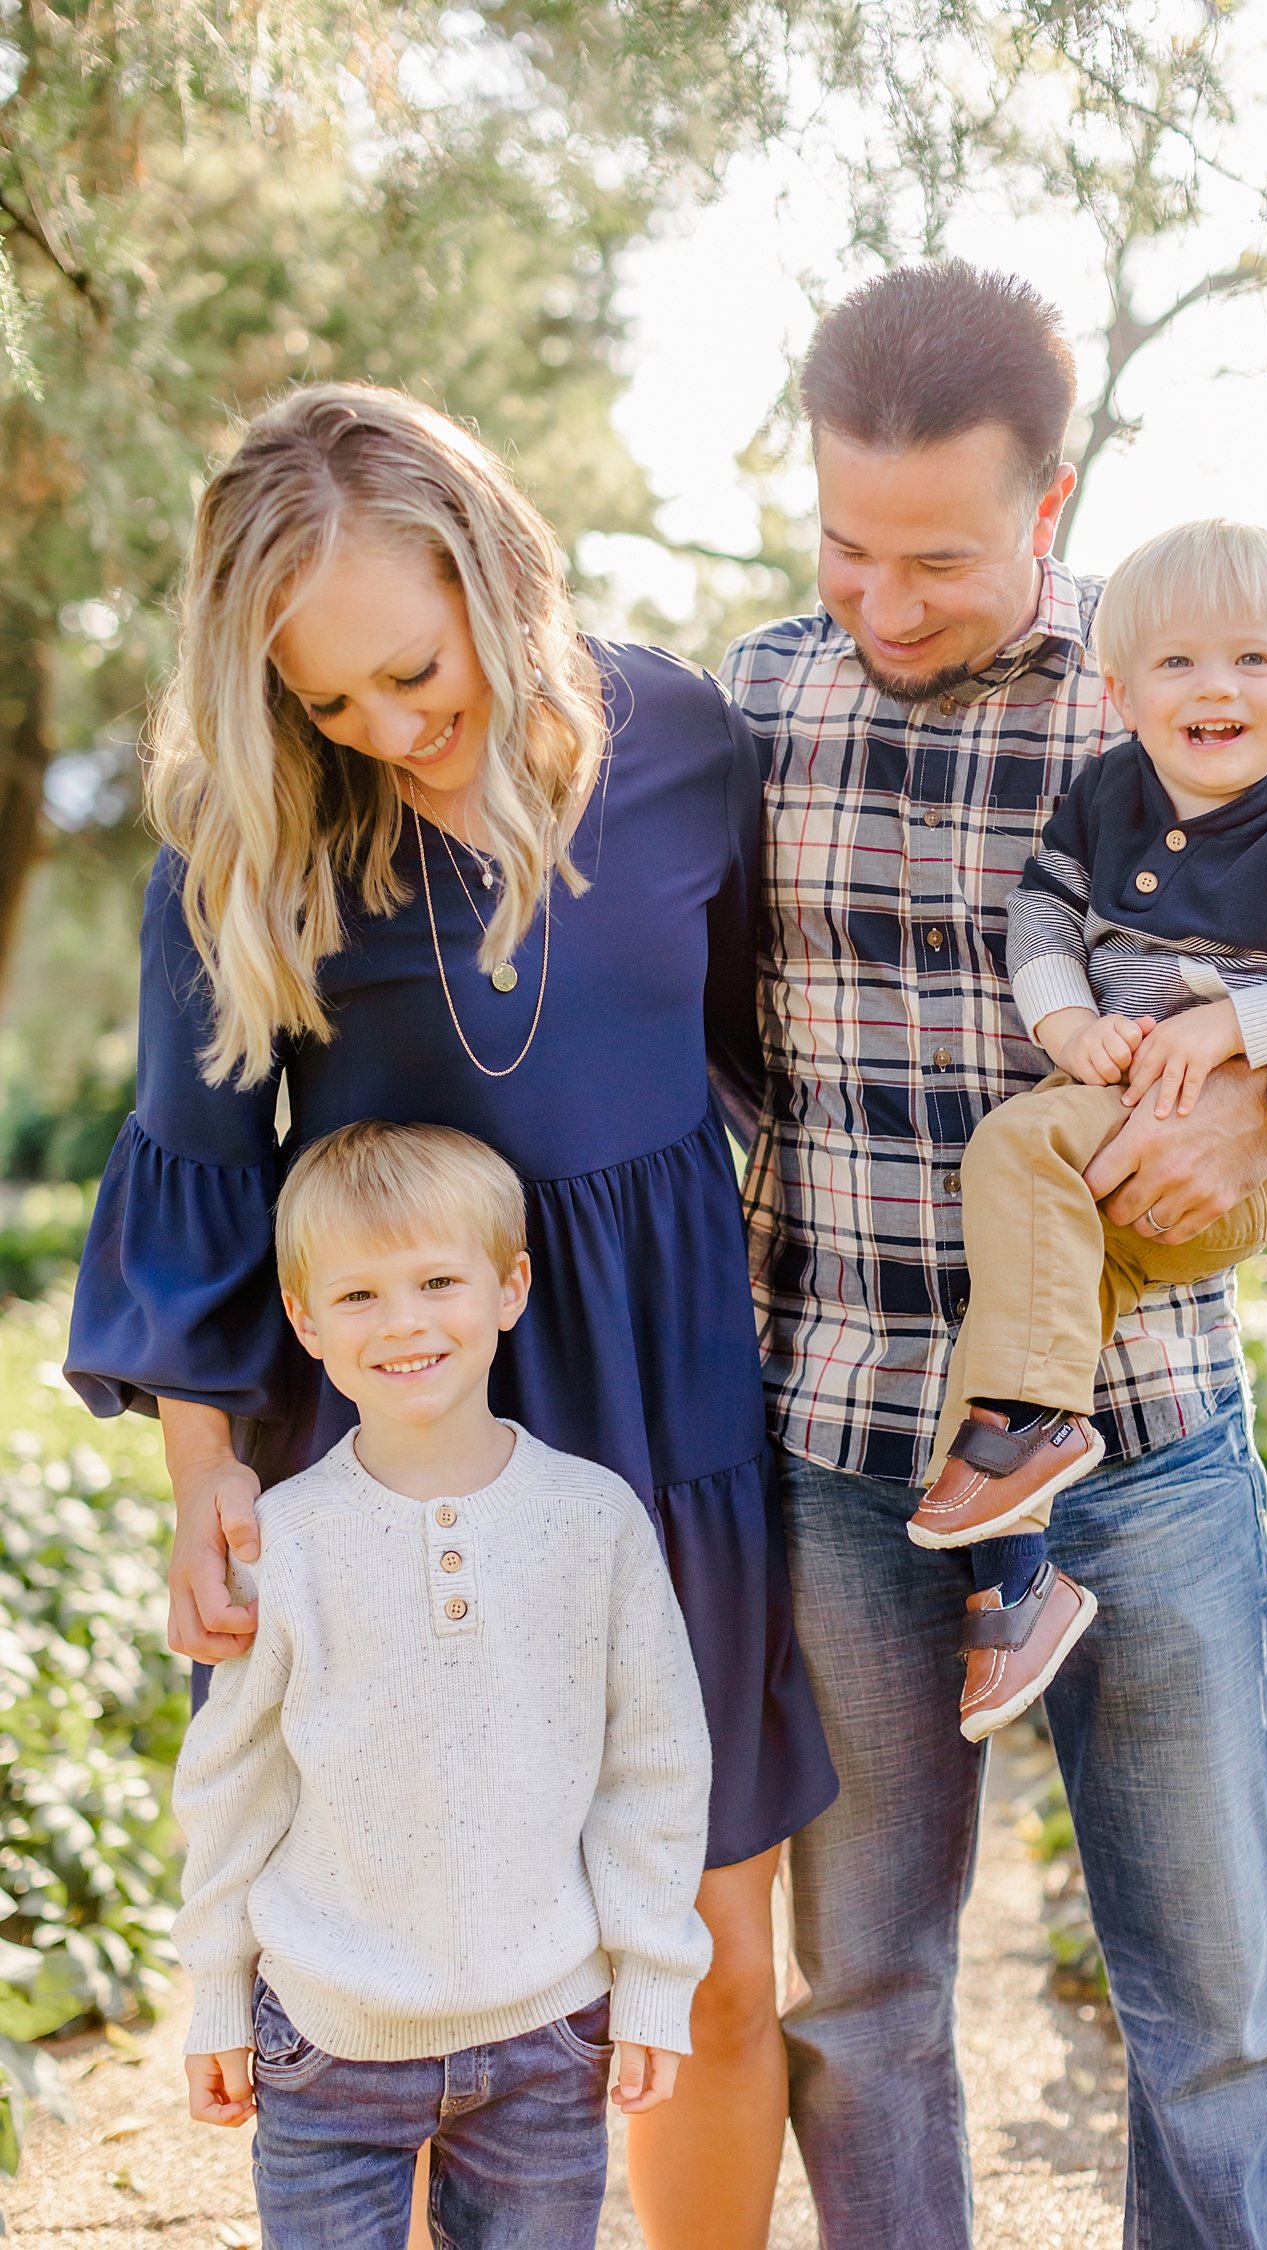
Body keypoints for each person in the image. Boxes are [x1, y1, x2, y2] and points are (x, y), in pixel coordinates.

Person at [722, 262, 1267, 2250]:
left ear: (1049, 511)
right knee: (870, 1999)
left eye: (941, 561)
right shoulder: (759, 700)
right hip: (841, 1448)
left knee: (1216, 2014)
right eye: (845, 547)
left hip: (1147, 1449)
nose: (882, 608)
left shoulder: (1179, 679)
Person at [67, 382, 837, 2250]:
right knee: (415, 2001)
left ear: (498, 571)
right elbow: (197, 1172)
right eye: (329, 701)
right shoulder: (250, 842)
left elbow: (752, 1051)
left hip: (664, 1422)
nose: (390, 730)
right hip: (397, 1448)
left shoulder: (677, 741)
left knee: (708, 1965)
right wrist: (202, 1492)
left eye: (417, 673)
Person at [911, 519, 1267, 1738]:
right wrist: (1066, 1021)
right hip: (1112, 1107)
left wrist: (1240, 1029)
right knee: (1017, 1320)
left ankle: (1035, 1428)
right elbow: (1042, 915)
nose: (1217, 688)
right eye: (1181, 664)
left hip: (1224, 1154)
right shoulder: (1110, 796)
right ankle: (1014, 1593)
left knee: (1017, 1148)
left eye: (1253, 662)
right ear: (1123, 692)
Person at [178, 1119, 712, 2250]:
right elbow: (234, 1786)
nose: (406, 1321)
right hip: (328, 2041)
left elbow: (653, 1768)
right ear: (306, 1320)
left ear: (510, 1288)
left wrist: (654, 1979)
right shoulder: (286, 1539)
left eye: (437, 1281)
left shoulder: (595, 1519)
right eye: (361, 1296)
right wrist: (218, 1995)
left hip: (547, 2035)